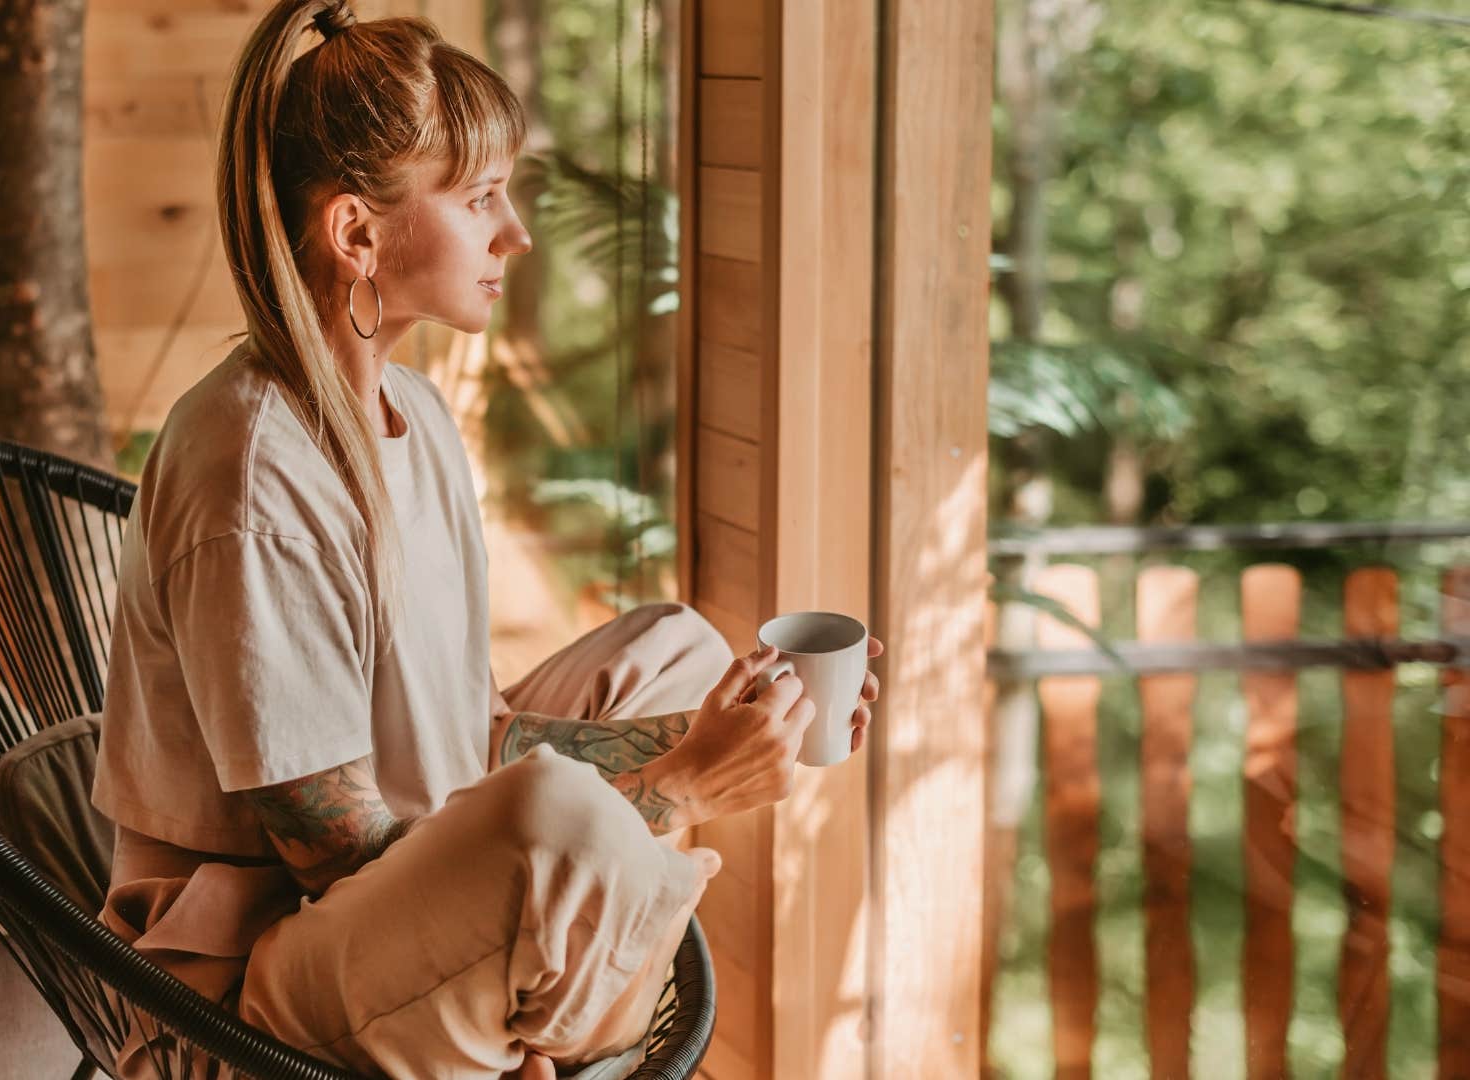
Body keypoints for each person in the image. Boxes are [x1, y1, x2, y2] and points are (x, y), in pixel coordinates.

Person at [88, 2, 883, 1077]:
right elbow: (343, 860)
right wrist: (685, 789)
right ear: (357, 234)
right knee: (556, 824)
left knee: (680, 651)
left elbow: (479, 733)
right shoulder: (252, 475)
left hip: (386, 911)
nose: (516, 233)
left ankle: (529, 1013)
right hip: (243, 998)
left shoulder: (410, 416)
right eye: (479, 199)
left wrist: (712, 733)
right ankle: (550, 1018)